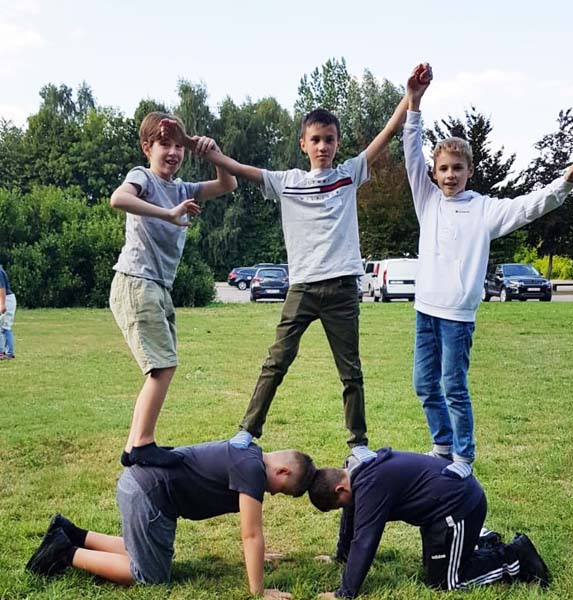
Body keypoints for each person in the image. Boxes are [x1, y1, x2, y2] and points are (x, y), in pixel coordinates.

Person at [161, 65, 426, 462]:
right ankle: (247, 432)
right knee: (275, 362)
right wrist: (202, 148)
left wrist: (412, 98)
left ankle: (359, 445)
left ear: (336, 144)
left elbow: (385, 135)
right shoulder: (287, 181)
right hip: (301, 288)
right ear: (303, 144)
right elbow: (235, 169)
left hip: (341, 290)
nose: (323, 147)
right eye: (316, 140)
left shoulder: (349, 175)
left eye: (330, 140)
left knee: (350, 371)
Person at [404, 64, 573, 479]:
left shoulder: (485, 210)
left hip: (458, 318)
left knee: (454, 388)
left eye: (457, 168)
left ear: (470, 171)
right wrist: (414, 104)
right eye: (443, 169)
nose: (449, 175)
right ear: (434, 173)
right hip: (425, 311)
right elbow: (411, 152)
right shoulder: (427, 201)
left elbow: (529, 205)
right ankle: (441, 445)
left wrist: (563, 183)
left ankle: (463, 459)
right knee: (423, 385)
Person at [26, 440, 316, 599]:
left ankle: (73, 534)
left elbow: (252, 535)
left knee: (142, 552)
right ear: (282, 472)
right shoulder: (252, 470)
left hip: (141, 487)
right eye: (281, 491)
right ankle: (64, 552)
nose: (273, 494)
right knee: (150, 577)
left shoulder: (248, 453)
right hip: (148, 496)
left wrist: (261, 555)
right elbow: (251, 535)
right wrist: (259, 591)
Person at [110, 112, 237, 468]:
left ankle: (133, 445)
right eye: (165, 144)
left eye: (179, 146)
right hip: (137, 282)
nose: (173, 152)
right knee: (163, 367)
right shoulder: (143, 177)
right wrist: (166, 214)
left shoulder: (183, 189)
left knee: (161, 368)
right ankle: (142, 444)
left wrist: (210, 152)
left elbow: (228, 185)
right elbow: (118, 199)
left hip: (158, 287)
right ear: (147, 147)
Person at [309, 449, 551, 598]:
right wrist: (340, 556)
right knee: (434, 568)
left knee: (447, 582)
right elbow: (351, 518)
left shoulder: (370, 487)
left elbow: (365, 541)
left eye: (339, 504)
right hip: (441, 513)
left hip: (459, 510)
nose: (346, 509)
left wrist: (345, 594)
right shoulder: (358, 472)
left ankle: (515, 557)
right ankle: (481, 539)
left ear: (340, 488)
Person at [0, 263, 16, 360]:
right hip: (4, 299)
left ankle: (6, 352)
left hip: (6, 299)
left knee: (4, 327)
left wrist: (2, 304)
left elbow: (2, 288)